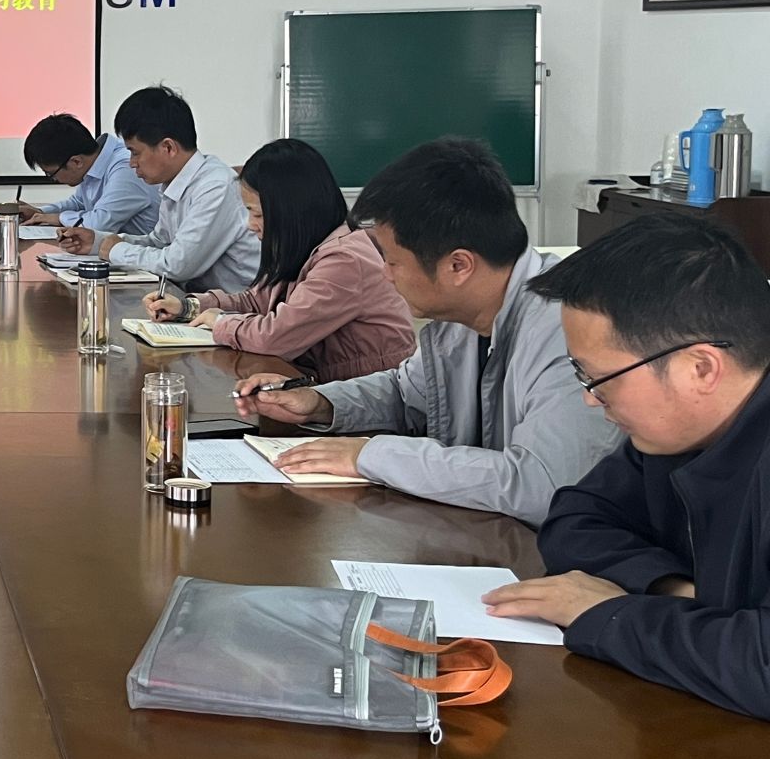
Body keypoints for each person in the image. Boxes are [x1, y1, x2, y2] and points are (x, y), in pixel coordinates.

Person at [235, 137, 616, 524]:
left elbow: (539, 484)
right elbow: (407, 394)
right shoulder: (462, 314)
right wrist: (319, 402)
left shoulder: (568, 329)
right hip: (480, 532)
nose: (385, 275)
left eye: (393, 262)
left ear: (458, 266)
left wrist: (371, 455)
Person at [482, 213, 770, 720]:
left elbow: (762, 666)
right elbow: (573, 519)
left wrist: (610, 614)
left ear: (700, 368)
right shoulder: (672, 433)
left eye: (596, 378)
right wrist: (668, 587)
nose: (590, 399)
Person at [144, 138, 414, 382]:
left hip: (365, 400)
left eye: (258, 214)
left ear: (291, 211)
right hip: (322, 383)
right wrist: (189, 307)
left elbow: (277, 337)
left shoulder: (344, 260)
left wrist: (221, 322)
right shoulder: (304, 246)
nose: (250, 225)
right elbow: (255, 300)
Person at [59, 85, 259, 292]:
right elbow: (160, 242)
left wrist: (115, 250)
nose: (132, 163)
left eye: (135, 152)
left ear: (168, 148)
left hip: (236, 305)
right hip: (197, 298)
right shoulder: (176, 182)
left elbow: (177, 265)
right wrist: (98, 241)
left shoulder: (215, 186)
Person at [17, 112, 159, 234]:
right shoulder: (92, 163)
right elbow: (78, 203)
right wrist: (40, 213)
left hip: (147, 253)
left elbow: (100, 224)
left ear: (76, 161)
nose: (53, 179)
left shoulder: (126, 167)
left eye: (51, 174)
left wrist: (59, 218)